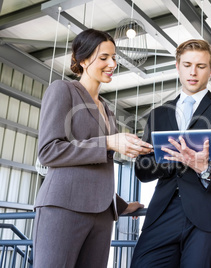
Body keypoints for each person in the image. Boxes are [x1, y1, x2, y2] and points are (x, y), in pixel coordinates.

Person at [33, 28, 153, 268]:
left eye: (114, 57)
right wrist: (109, 142)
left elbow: (100, 164)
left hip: (103, 215)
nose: (113, 63)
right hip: (63, 207)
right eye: (104, 57)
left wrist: (121, 205)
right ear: (84, 59)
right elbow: (49, 150)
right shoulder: (63, 90)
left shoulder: (108, 110)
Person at [131, 39, 211, 268]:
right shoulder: (158, 114)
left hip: (208, 215)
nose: (193, 72)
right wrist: (176, 159)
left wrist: (204, 167)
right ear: (177, 66)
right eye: (187, 65)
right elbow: (142, 171)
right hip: (162, 214)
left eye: (201, 66)